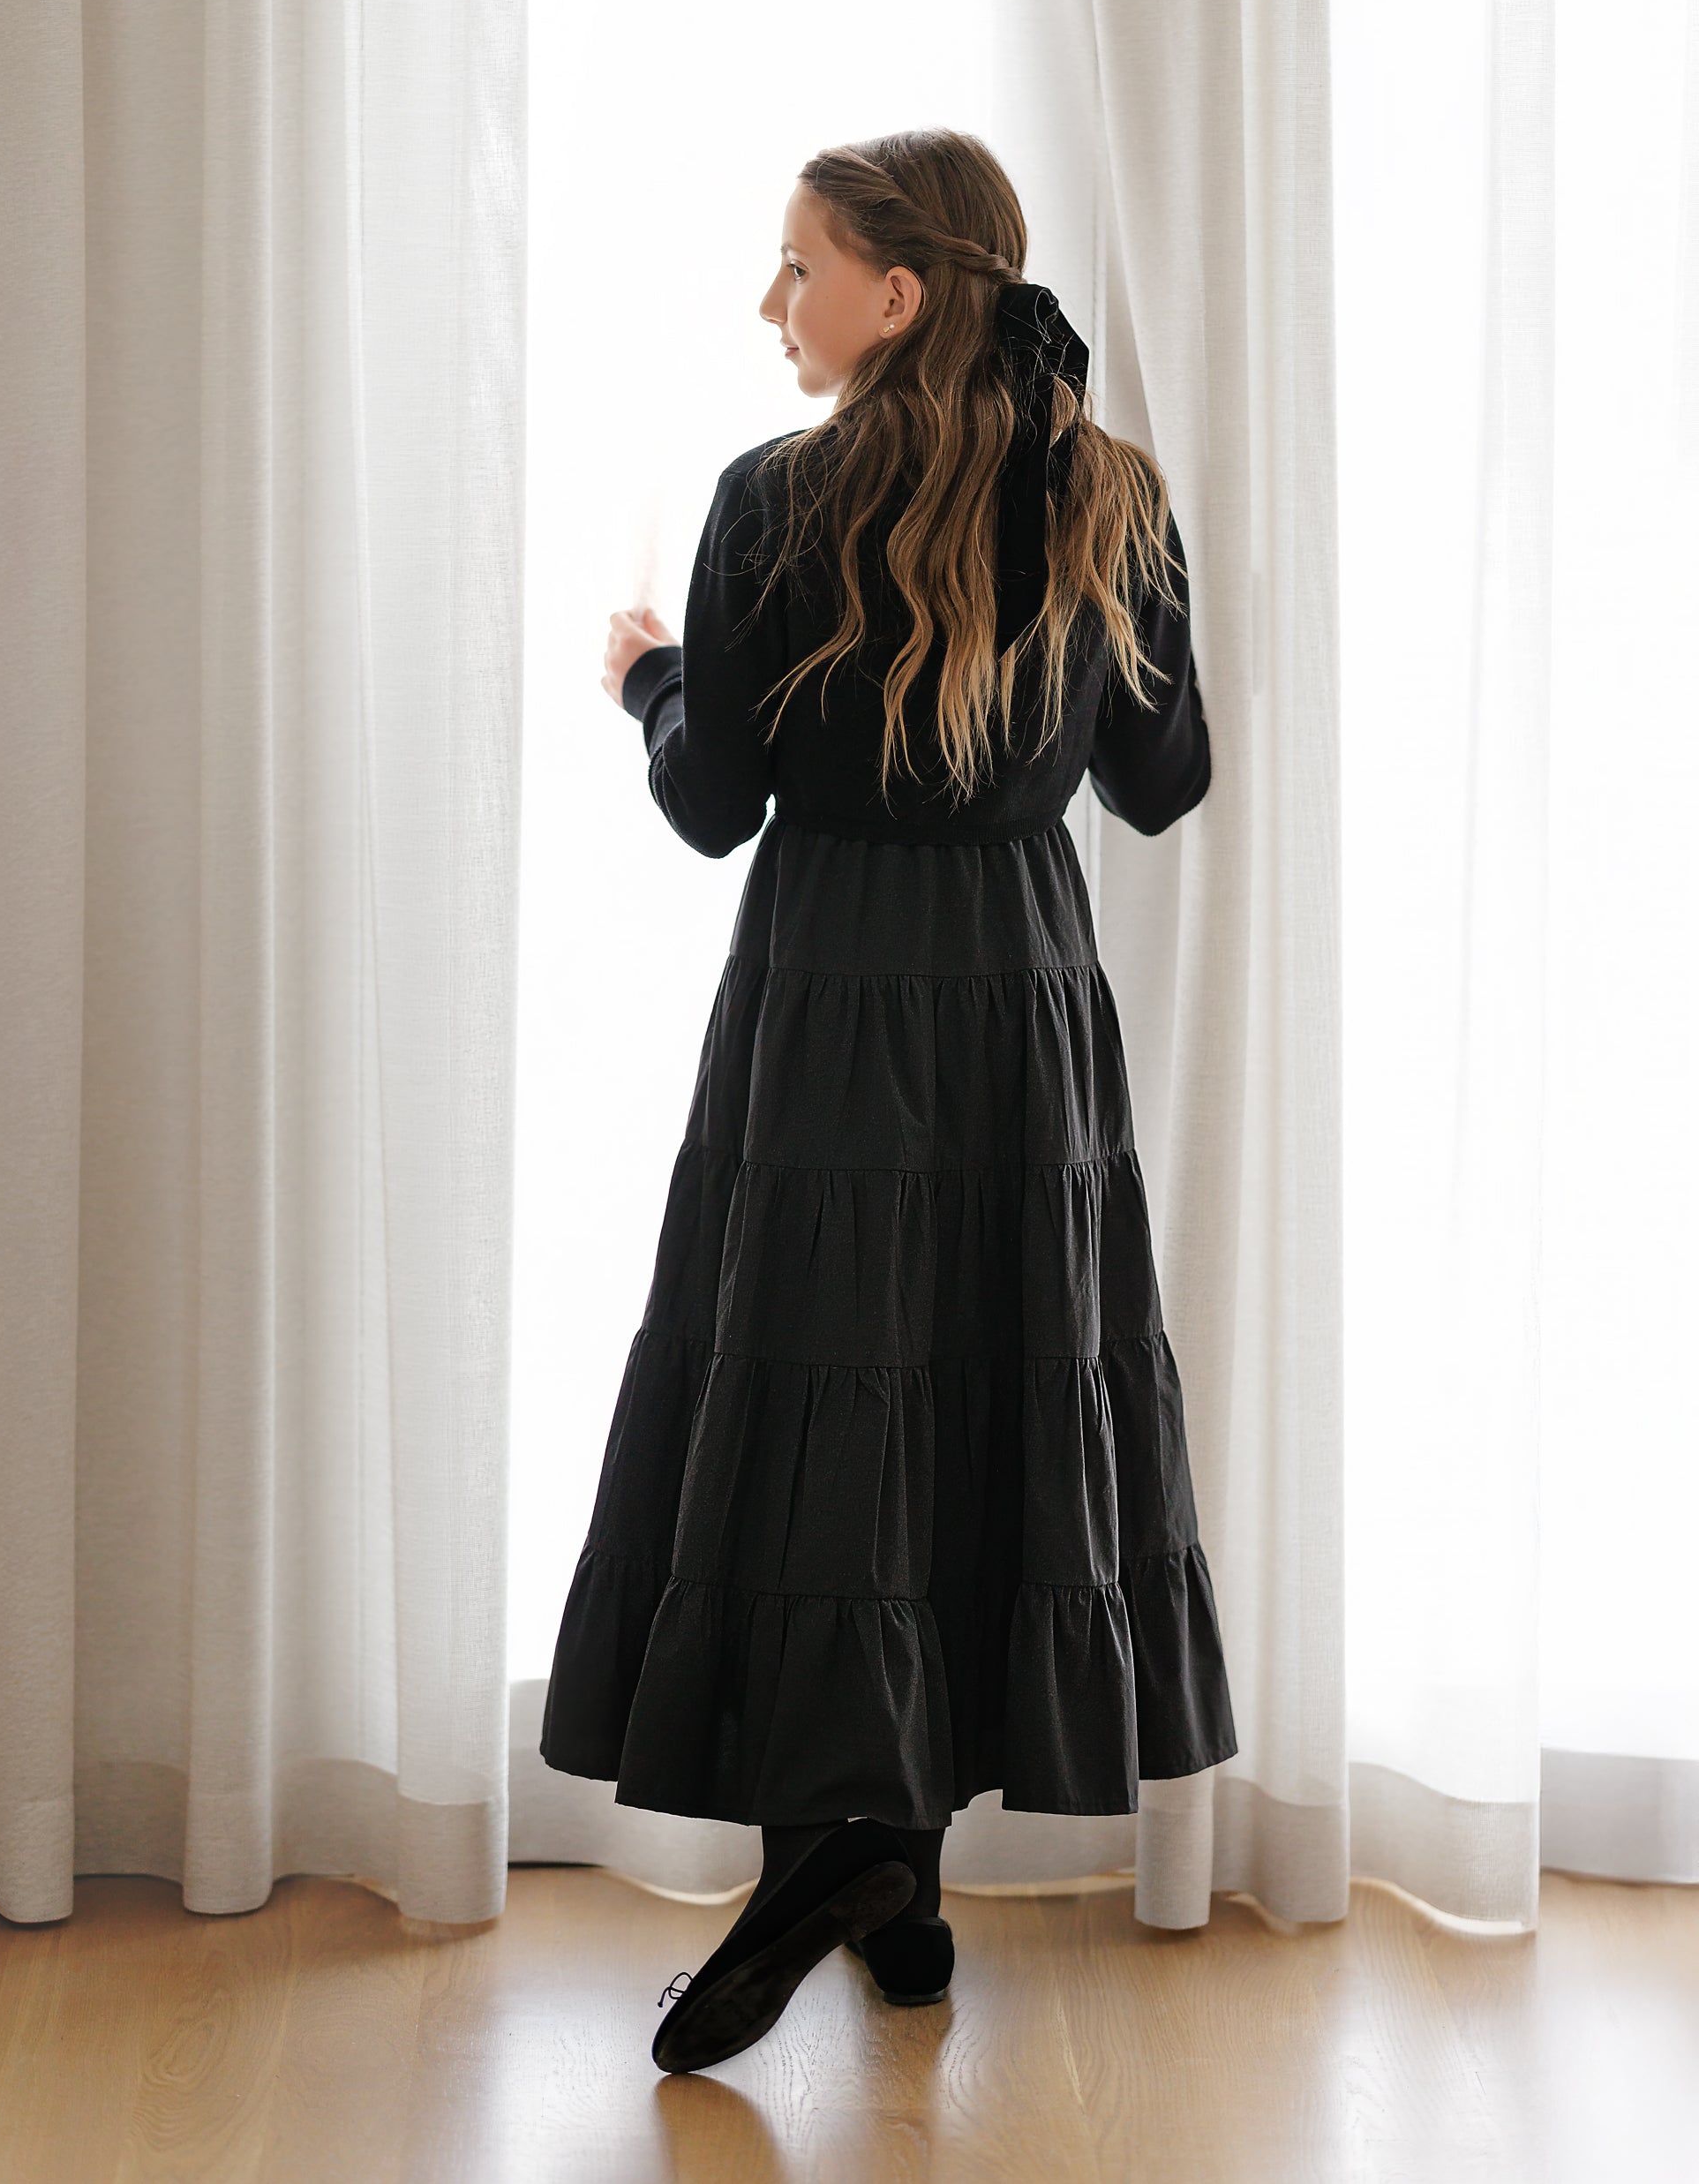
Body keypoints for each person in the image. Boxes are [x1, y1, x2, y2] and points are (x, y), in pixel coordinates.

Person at [538, 127, 1237, 2076]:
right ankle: (893, 1887)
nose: (773, 302)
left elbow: (713, 803)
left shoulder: (774, 500)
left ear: (898, 291)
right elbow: (1162, 782)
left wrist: (651, 681)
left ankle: (840, 1865)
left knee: (818, 1391)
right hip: (1019, 999)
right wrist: (1096, 571)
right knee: (970, 1384)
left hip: (830, 993)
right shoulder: (1106, 492)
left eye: (799, 266)